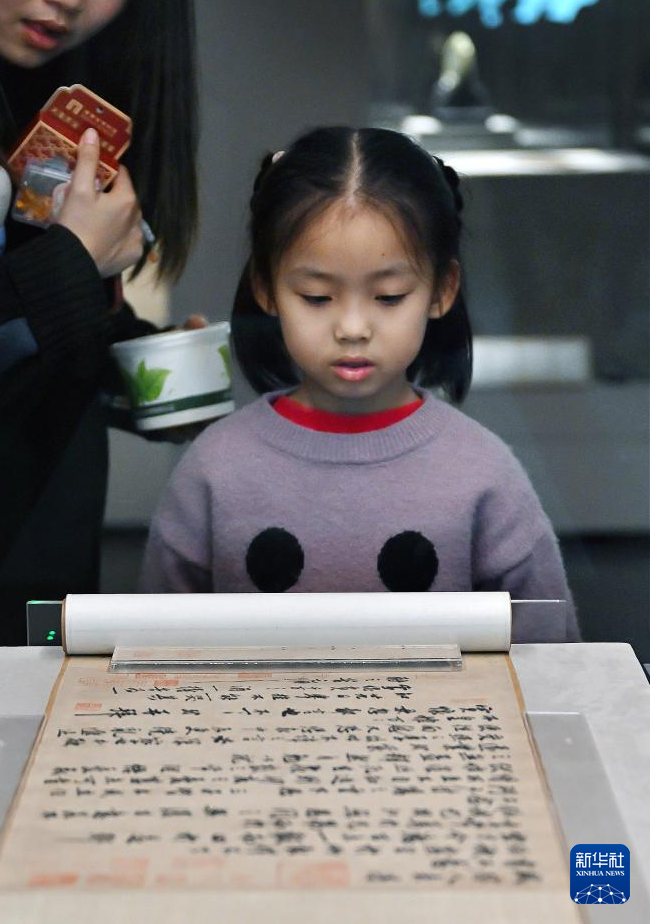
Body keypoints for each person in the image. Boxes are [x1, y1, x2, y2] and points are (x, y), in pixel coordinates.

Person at [141, 126, 580, 641]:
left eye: (389, 297)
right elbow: (149, 650)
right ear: (266, 288)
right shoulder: (215, 468)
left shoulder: (483, 473)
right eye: (317, 297)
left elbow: (553, 655)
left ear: (442, 290)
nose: (352, 328)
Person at [0, 0, 198, 658]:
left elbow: (16, 328)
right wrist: (70, 265)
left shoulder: (66, 107)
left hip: (35, 587)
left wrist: (141, 374)